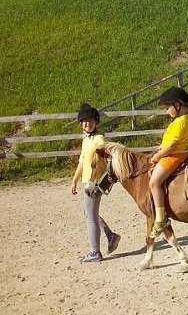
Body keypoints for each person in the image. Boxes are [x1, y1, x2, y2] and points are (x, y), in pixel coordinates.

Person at [70, 103, 121, 263]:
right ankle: (110, 235)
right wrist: (74, 180)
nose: (87, 123)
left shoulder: (99, 139)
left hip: (95, 182)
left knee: (90, 217)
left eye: (90, 121)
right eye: (84, 121)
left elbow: (104, 153)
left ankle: (95, 252)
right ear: (81, 124)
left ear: (96, 122)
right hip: (87, 180)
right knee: (87, 213)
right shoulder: (86, 140)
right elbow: (82, 162)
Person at [149, 86, 188, 238]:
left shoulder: (182, 121)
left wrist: (158, 155)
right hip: (173, 154)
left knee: (154, 183)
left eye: (168, 107)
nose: (167, 110)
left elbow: (173, 145)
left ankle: (160, 218)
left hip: (173, 157)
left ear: (177, 105)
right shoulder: (183, 119)